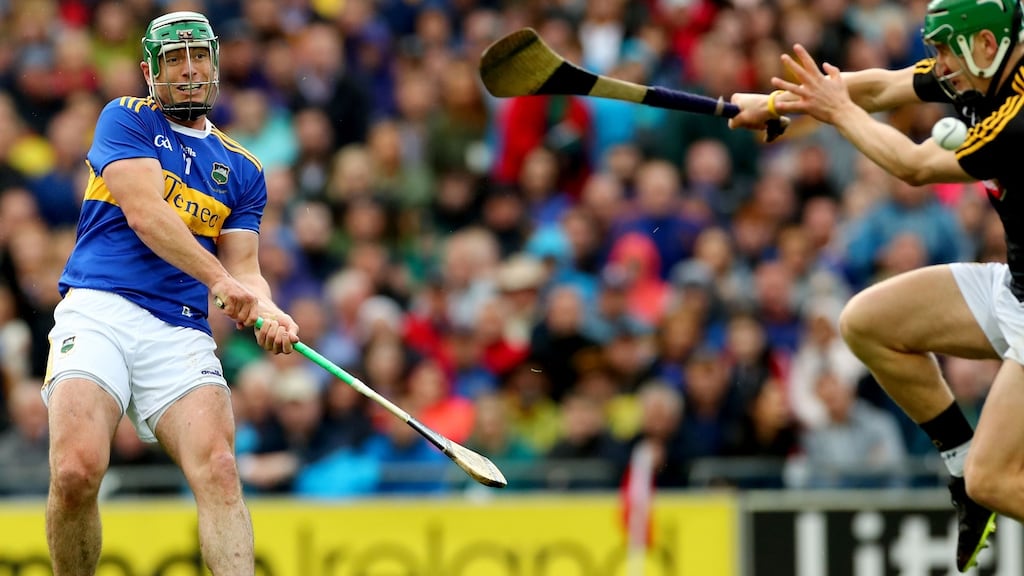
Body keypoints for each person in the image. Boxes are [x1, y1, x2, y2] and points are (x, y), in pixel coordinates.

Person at [728, 0, 1023, 571]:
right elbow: (884, 86)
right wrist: (772, 104)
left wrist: (835, 112)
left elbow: (914, 166)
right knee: (867, 323)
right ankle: (959, 468)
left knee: (998, 478)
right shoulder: (983, 65)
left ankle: (976, 480)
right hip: (1017, 284)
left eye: (944, 51)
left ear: (987, 44)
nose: (937, 65)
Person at [41, 12, 298, 576]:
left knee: (221, 468)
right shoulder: (125, 118)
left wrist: (270, 310)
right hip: (99, 307)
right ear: (149, 71)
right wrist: (222, 283)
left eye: (198, 56)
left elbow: (245, 269)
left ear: (215, 64)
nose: (188, 69)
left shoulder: (243, 167)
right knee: (76, 471)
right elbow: (146, 215)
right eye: (173, 60)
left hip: (178, 327)